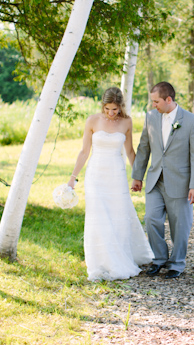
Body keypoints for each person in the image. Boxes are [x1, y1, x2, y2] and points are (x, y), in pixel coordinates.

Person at [69, 87, 153, 281]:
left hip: (116, 174)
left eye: (115, 109)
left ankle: (119, 256)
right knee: (97, 216)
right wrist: (73, 177)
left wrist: (137, 176)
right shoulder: (92, 121)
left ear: (120, 106)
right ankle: (100, 261)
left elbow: (130, 151)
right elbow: (84, 152)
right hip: (95, 175)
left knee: (118, 215)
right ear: (103, 105)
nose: (111, 113)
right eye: (107, 109)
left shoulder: (126, 122)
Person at [131, 82, 194, 279]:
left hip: (180, 183)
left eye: (156, 101)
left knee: (180, 226)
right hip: (155, 180)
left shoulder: (191, 121)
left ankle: (177, 263)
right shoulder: (151, 117)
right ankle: (159, 259)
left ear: (168, 100)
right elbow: (144, 147)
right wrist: (137, 176)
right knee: (151, 219)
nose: (153, 105)